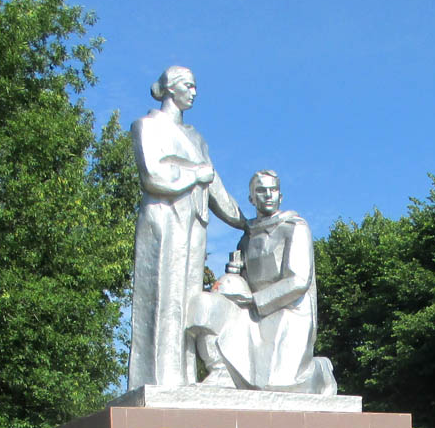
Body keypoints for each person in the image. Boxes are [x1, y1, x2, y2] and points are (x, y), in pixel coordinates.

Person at [128, 65, 246, 388]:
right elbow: (152, 174)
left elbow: (216, 187)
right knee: (164, 297)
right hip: (164, 221)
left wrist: (244, 222)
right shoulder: (147, 126)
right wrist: (194, 174)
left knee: (187, 304)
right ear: (170, 88)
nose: (194, 93)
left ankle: (182, 376)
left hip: (194, 226)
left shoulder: (196, 138)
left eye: (195, 87)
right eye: (188, 86)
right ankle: (158, 379)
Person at [194, 170, 337, 394]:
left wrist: (254, 299)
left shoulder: (295, 227)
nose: (268, 195)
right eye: (261, 191)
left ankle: (318, 370)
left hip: (288, 309)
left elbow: (299, 280)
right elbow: (245, 282)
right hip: (252, 311)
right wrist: (235, 276)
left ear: (280, 196)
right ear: (251, 198)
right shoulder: (248, 236)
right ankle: (222, 371)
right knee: (208, 303)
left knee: (276, 386)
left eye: (273, 190)